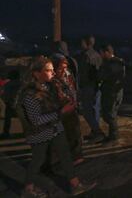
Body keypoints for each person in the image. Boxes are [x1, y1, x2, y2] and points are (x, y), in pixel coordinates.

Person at [17, 56, 95, 197]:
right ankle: (28, 190)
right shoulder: (29, 94)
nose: (53, 73)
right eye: (48, 70)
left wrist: (66, 103)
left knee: (65, 155)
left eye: (53, 70)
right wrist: (61, 112)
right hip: (39, 133)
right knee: (37, 161)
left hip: (55, 128)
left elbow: (54, 104)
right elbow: (36, 120)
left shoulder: (50, 85)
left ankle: (75, 185)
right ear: (36, 73)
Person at [51, 55, 84, 165]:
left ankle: (77, 155)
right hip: (58, 110)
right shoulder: (51, 79)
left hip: (71, 107)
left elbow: (73, 88)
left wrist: (75, 101)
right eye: (61, 68)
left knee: (74, 132)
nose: (64, 70)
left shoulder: (68, 74)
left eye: (65, 67)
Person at [77, 35, 104, 144]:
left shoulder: (86, 56)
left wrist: (80, 87)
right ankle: (95, 132)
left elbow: (83, 74)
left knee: (87, 111)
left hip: (88, 86)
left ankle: (98, 133)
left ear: (87, 44)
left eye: (82, 42)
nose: (81, 44)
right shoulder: (98, 55)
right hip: (96, 86)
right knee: (94, 110)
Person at [98, 44, 126, 147]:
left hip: (112, 92)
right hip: (112, 92)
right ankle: (112, 136)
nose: (100, 55)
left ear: (107, 52)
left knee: (110, 114)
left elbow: (104, 76)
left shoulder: (113, 63)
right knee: (109, 114)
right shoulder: (116, 62)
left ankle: (114, 137)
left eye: (101, 53)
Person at [0, 70, 21, 139]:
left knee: (7, 119)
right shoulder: (21, 83)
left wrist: (6, 101)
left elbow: (6, 95)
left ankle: (6, 133)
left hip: (10, 103)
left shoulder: (8, 84)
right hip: (19, 103)